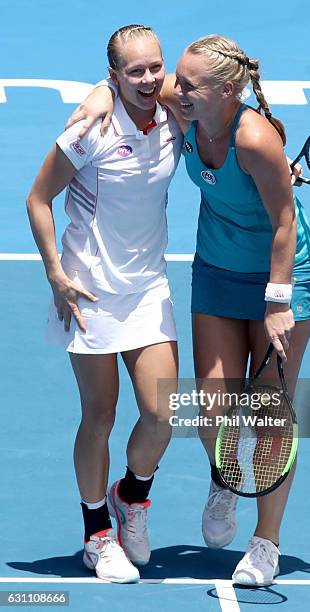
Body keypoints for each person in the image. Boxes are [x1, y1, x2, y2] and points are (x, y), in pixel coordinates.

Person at [66, 34, 310, 587]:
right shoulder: (186, 106)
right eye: (176, 80)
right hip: (216, 269)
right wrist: (98, 95)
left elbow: (284, 222)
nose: (173, 89)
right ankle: (225, 476)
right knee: (213, 410)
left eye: (188, 84)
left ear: (227, 91)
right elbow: (127, 84)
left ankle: (266, 543)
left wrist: (278, 302)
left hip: (282, 278)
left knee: (268, 411)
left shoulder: (255, 140)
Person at [26, 24, 184, 583]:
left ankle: (131, 497)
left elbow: (216, 102)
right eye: (133, 71)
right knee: (100, 415)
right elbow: (38, 198)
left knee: (163, 413)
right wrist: (56, 274)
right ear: (114, 74)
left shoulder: (175, 116)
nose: (148, 79)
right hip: (89, 290)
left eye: (154, 67)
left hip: (147, 290)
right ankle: (97, 534)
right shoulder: (90, 128)